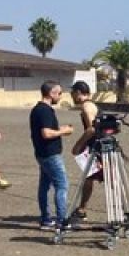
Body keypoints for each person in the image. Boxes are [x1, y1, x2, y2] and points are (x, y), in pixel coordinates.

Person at [29, 80, 74, 231]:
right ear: (51, 93)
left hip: (42, 153)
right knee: (62, 185)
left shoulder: (38, 109)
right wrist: (64, 131)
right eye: (59, 93)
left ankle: (46, 219)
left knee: (44, 186)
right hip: (50, 154)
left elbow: (46, 129)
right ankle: (62, 220)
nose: (61, 96)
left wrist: (60, 128)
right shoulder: (44, 110)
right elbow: (46, 133)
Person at [69, 80, 101, 220]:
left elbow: (92, 129)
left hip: (96, 147)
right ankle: (82, 208)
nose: (71, 96)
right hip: (96, 145)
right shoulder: (90, 105)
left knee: (98, 177)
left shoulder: (86, 107)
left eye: (72, 93)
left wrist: (78, 145)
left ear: (78, 93)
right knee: (89, 177)